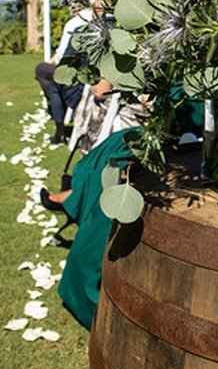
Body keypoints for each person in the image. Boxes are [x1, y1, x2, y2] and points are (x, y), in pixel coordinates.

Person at [40, 90, 204, 328]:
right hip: (170, 119)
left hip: (189, 133)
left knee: (117, 168)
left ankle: (75, 205)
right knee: (113, 148)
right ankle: (75, 198)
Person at [35, 0, 104, 143]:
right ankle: (60, 109)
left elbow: (64, 56)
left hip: (78, 76)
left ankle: (59, 128)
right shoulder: (106, 24)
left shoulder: (74, 25)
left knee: (45, 73)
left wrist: (53, 61)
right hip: (89, 73)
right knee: (53, 76)